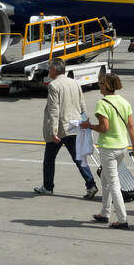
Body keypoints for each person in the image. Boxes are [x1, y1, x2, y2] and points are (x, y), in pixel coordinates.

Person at [81, 73, 134, 229]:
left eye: (101, 83)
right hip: (122, 147)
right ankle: (104, 213)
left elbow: (104, 128)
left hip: (108, 148)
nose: (99, 85)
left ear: (107, 86)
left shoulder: (102, 103)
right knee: (106, 179)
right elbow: (131, 126)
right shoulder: (124, 102)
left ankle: (122, 219)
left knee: (113, 183)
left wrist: (89, 126)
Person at [35, 59, 98, 198]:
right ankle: (91, 185)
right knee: (78, 158)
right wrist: (85, 124)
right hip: (74, 126)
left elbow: (54, 110)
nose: (48, 71)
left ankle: (48, 186)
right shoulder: (74, 83)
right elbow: (82, 106)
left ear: (55, 70)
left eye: (50, 68)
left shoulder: (54, 85)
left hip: (60, 128)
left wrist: (53, 132)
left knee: (49, 159)